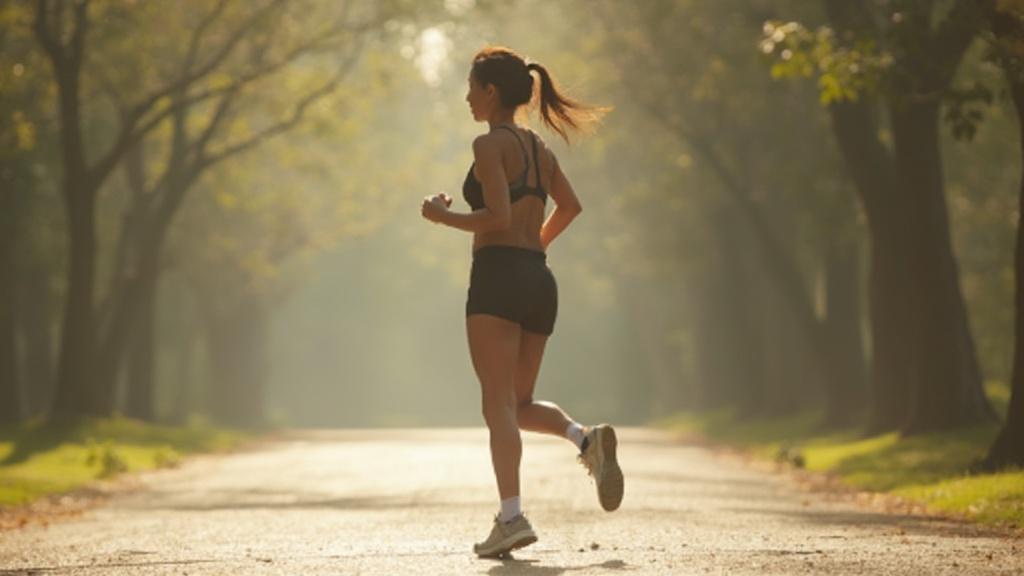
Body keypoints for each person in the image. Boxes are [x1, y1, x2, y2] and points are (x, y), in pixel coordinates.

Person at [420, 45, 623, 558]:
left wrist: (441, 216)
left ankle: (511, 518)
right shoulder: (539, 148)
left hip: (497, 277)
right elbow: (570, 206)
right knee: (519, 402)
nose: (467, 97)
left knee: (497, 404)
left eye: (471, 88)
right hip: (538, 280)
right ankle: (586, 440)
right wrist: (535, 247)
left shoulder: (489, 144)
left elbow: (497, 218)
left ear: (491, 92)